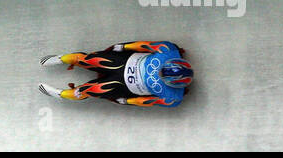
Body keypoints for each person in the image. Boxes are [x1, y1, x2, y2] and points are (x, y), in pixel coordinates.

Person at [38, 40, 192, 107]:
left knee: (87, 90)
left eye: (163, 75)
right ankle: (60, 59)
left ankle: (61, 94)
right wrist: (124, 47)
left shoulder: (172, 98)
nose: (160, 72)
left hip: (125, 86)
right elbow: (145, 45)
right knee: (86, 60)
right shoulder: (168, 50)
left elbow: (146, 101)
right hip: (123, 61)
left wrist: (127, 101)